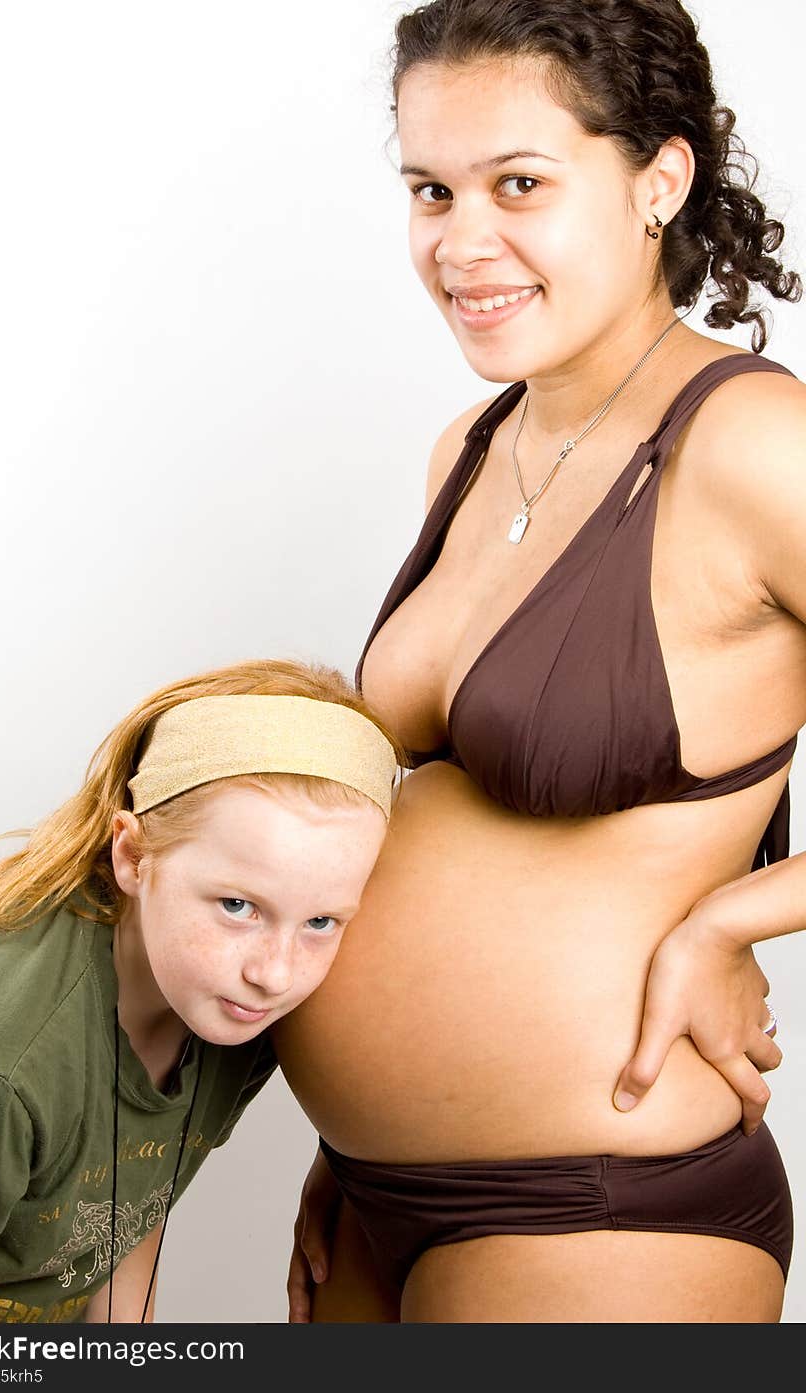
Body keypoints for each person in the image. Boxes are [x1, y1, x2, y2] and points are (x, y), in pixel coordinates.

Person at [273, 0, 805, 1323]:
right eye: (429, 188)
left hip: (606, 1211)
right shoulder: (468, 446)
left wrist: (728, 918)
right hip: (376, 1200)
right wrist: (368, 1128)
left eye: (519, 182)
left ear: (658, 181)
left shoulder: (751, 446)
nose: (462, 241)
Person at [0, 658, 400, 1325]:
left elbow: (128, 1211)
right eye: (238, 904)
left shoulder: (233, 1010)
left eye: (320, 921)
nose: (276, 971)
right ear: (133, 856)